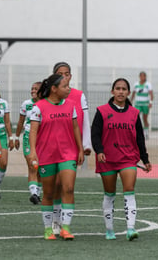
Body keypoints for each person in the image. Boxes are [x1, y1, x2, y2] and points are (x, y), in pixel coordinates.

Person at [91, 78, 151, 241]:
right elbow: (95, 134)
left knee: (129, 191)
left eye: (124, 89)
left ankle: (130, 229)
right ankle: (109, 230)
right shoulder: (102, 111)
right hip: (107, 159)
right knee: (109, 194)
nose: (121, 91)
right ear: (112, 91)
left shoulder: (134, 113)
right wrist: (99, 151)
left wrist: (145, 159)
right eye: (118, 88)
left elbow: (139, 138)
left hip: (128, 159)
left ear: (128, 92)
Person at [29, 74, 84, 240]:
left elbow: (75, 127)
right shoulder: (38, 107)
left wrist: (80, 149)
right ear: (54, 89)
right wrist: (33, 151)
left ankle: (65, 228)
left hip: (68, 154)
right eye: (65, 87)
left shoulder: (71, 106)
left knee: (68, 188)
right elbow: (33, 131)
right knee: (49, 193)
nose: (69, 89)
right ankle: (48, 229)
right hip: (46, 155)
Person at [51, 62, 92, 235]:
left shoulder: (78, 96)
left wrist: (86, 144)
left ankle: (64, 226)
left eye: (67, 73)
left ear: (71, 76)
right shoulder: (48, 95)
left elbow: (85, 120)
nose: (65, 76)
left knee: (67, 185)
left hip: (71, 147)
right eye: (60, 74)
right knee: (55, 185)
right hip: (52, 147)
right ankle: (55, 219)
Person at [15, 81, 42, 204]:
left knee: (41, 168)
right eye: (32, 89)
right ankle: (34, 194)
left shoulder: (46, 104)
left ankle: (38, 192)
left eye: (36, 89)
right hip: (27, 137)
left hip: (42, 138)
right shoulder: (26, 104)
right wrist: (15, 138)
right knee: (32, 165)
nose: (33, 91)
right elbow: (20, 122)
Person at [130, 71, 153, 140]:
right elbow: (133, 94)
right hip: (138, 104)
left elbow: (151, 95)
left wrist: (150, 102)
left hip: (145, 104)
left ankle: (146, 133)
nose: (142, 77)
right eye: (141, 76)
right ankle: (136, 132)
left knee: (145, 118)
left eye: (144, 76)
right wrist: (130, 101)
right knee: (135, 118)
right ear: (139, 77)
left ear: (145, 77)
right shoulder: (136, 84)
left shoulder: (148, 85)